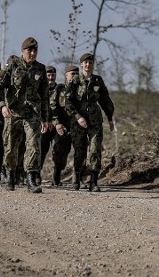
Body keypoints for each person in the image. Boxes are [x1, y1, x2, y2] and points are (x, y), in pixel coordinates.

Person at [0, 37, 49, 193]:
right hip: (14, 112)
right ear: (23, 51)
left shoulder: (41, 69)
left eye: (34, 50)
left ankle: (31, 178)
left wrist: (45, 118)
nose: (32, 53)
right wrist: (2, 105)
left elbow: (44, 96)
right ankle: (10, 175)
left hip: (32, 112)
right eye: (29, 50)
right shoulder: (13, 65)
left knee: (33, 144)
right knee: (10, 146)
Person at [65, 53, 115, 192]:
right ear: (81, 65)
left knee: (95, 149)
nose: (88, 65)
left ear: (93, 65)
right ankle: (77, 177)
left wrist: (110, 118)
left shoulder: (98, 81)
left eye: (90, 63)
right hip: (78, 121)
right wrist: (77, 117)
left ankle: (94, 181)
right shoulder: (75, 81)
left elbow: (105, 100)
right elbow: (68, 102)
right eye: (85, 63)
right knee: (80, 150)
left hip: (95, 121)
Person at [49, 64, 78, 186]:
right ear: (66, 76)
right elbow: (53, 106)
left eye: (76, 74)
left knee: (80, 151)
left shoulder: (82, 89)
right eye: (72, 74)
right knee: (61, 152)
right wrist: (57, 123)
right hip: (63, 126)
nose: (74, 76)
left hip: (77, 126)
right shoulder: (60, 89)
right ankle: (56, 174)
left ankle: (77, 178)